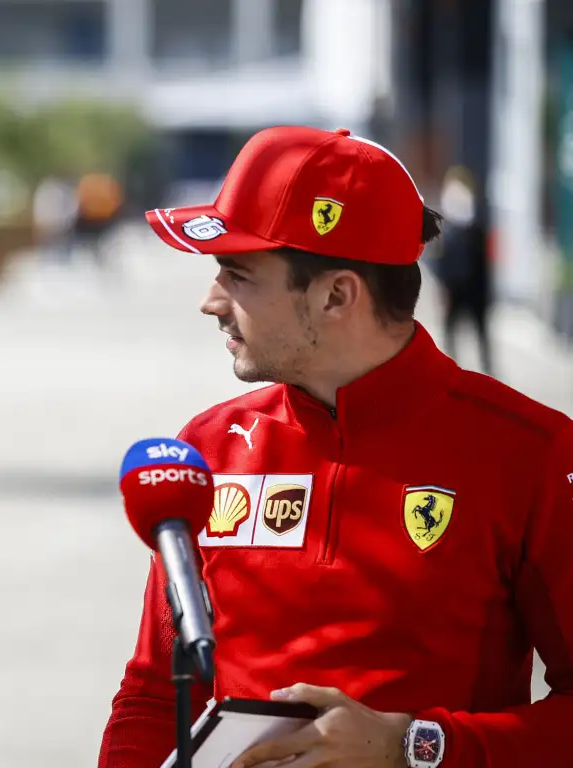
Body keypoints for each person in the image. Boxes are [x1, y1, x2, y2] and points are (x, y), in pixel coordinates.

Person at [99, 126, 573, 768]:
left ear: (335, 296)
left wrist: (415, 747)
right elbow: (156, 697)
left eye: (236, 275)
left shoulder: (531, 452)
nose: (210, 302)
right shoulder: (204, 450)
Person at [431, 165, 493, 376]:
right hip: (455, 287)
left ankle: (487, 373)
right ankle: (450, 373)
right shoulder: (446, 226)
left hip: (474, 288)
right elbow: (441, 259)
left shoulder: (476, 226)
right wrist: (443, 287)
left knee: (480, 335)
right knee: (451, 335)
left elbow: (484, 262)